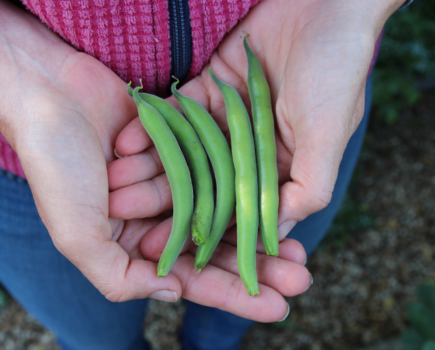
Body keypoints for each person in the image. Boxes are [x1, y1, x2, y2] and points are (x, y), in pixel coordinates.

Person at [0, 0, 410, 349]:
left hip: (295, 98)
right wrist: (13, 67)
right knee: (96, 336)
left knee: (239, 299)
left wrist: (343, 7)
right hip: (32, 170)